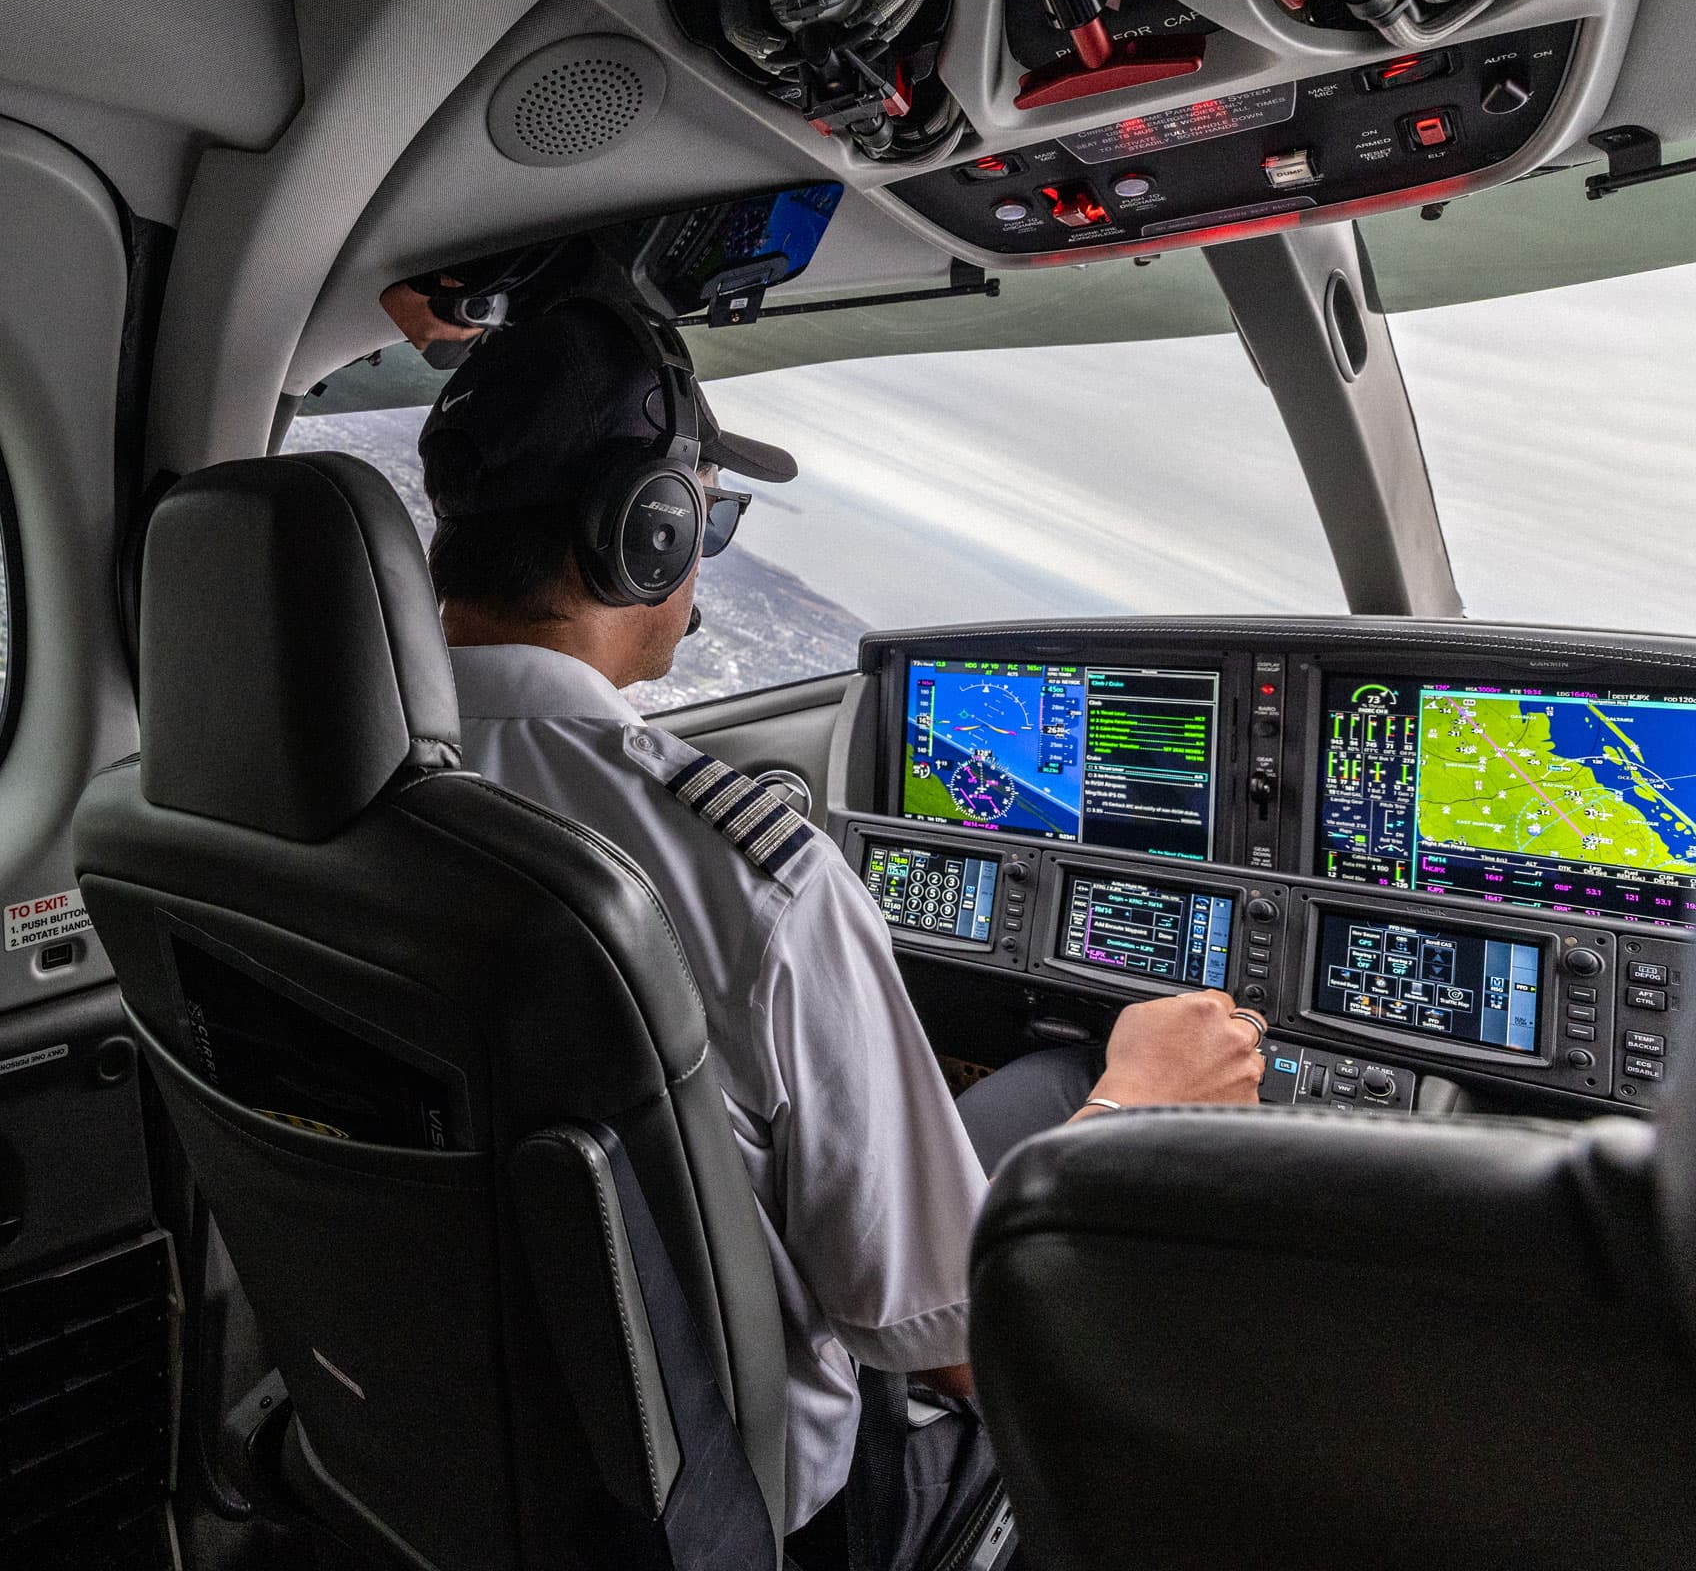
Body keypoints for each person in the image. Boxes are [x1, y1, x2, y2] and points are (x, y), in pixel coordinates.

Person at [386, 284, 1267, 1566]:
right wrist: (1143, 1107)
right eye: (709, 519)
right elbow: (956, 1344)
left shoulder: (341, 791)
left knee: (1041, 1085)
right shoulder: (760, 885)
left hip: (454, 1421)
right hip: (752, 1507)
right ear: (649, 534)